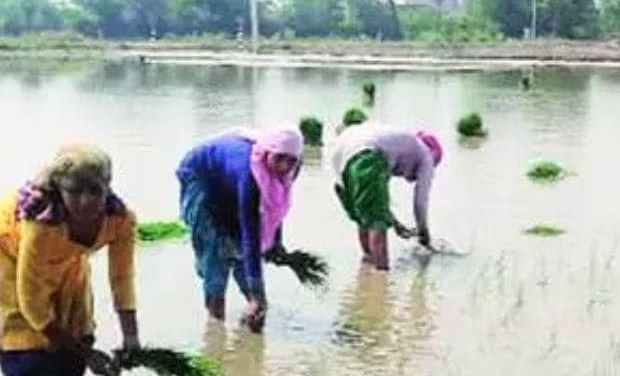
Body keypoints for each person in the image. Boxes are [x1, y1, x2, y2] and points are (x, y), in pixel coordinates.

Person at [0, 145, 139, 376]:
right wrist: (89, 357)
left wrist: (131, 336)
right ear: (60, 191)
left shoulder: (120, 219)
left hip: (66, 253)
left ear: (107, 189)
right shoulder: (40, 223)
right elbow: (31, 303)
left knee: (78, 325)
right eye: (75, 192)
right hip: (7, 243)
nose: (86, 201)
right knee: (27, 346)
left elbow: (121, 278)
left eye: (95, 191)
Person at [176, 126, 304, 333]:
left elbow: (276, 206)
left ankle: (251, 310)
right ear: (267, 153)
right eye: (279, 158)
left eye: (291, 160)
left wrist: (276, 241)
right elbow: (250, 230)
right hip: (201, 174)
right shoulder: (248, 173)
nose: (284, 166)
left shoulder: (293, 167)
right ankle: (215, 322)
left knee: (240, 249)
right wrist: (259, 295)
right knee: (216, 249)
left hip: (228, 177)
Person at [330, 123, 443, 270]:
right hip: (366, 155)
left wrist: (394, 223)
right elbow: (420, 203)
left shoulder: (394, 144)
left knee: (364, 220)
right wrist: (424, 236)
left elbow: (374, 202)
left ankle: (367, 269)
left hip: (339, 159)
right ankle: (382, 279)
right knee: (377, 224)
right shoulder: (426, 156)